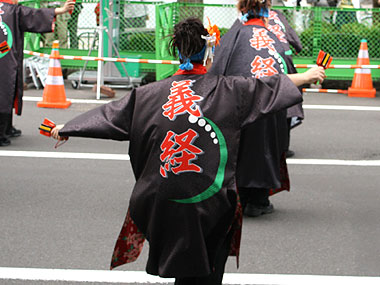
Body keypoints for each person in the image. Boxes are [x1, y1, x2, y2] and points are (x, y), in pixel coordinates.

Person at [50, 17, 325, 285]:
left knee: (186, 268)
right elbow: (271, 85)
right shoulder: (230, 90)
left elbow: (109, 115)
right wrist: (309, 75)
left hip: (161, 201)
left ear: (177, 51)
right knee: (206, 270)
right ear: (208, 55)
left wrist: (68, 127)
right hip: (211, 203)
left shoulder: (148, 94)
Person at [210, 0, 306, 217]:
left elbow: (216, 69)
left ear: (241, 8)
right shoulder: (273, 38)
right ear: (267, 9)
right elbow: (288, 71)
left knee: (240, 149)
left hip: (238, 103)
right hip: (269, 105)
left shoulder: (234, 35)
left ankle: (241, 198)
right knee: (266, 148)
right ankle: (260, 200)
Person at [0, 0, 74, 147]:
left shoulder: (12, 9)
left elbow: (32, 14)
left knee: (9, 90)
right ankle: (1, 132)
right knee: (5, 91)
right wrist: (60, 10)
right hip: (6, 58)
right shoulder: (12, 10)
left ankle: (6, 128)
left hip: (6, 56)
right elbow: (33, 15)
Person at [267, 5, 304, 157]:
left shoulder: (245, 19)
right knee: (288, 101)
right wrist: (297, 47)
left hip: (263, 63)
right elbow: (294, 39)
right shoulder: (278, 16)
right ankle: (283, 146)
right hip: (284, 60)